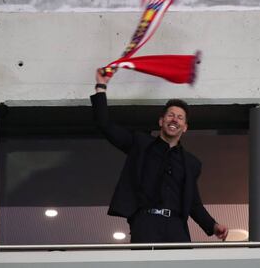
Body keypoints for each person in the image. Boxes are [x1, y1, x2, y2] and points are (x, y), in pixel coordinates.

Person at [91, 69, 228, 243]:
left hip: (177, 226)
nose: (174, 120)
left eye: (179, 118)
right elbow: (105, 125)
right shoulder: (140, 144)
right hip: (145, 222)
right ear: (161, 121)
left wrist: (213, 226)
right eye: (170, 115)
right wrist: (101, 86)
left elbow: (194, 203)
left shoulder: (191, 163)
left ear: (185, 127)